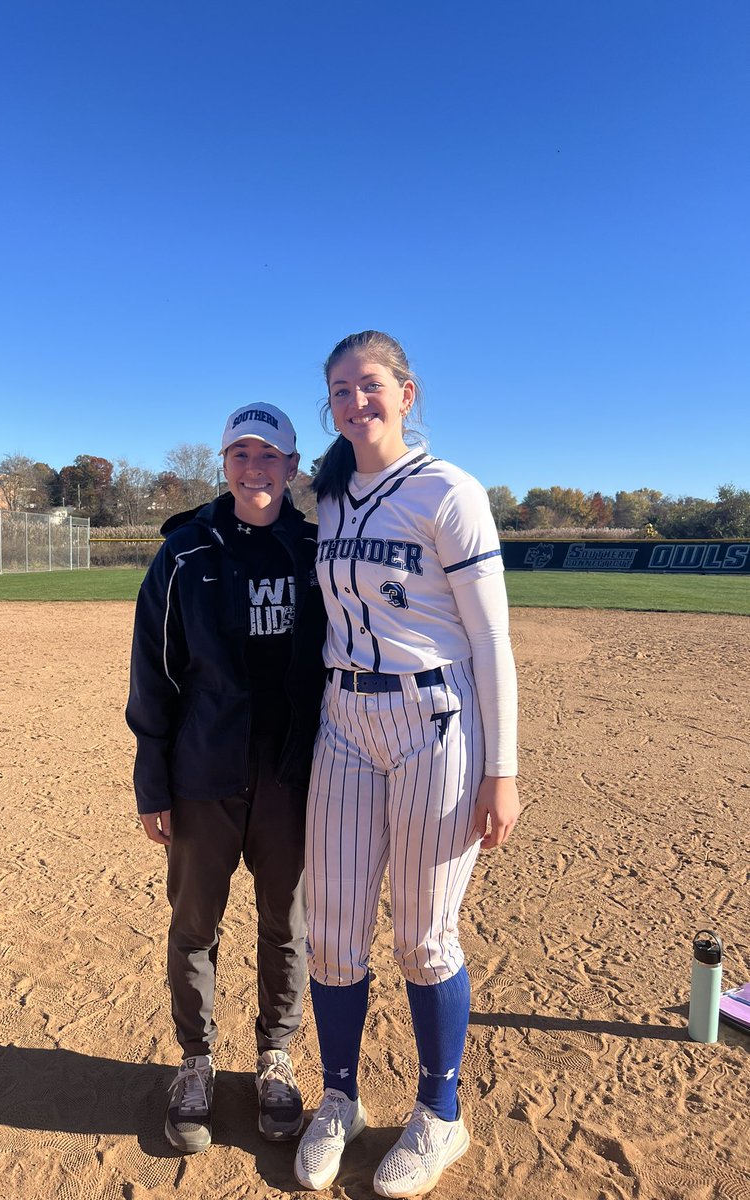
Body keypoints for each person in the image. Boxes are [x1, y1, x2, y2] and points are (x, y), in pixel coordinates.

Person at [293, 332, 520, 1198]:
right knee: (335, 932)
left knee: (423, 938)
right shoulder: (331, 496)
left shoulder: (448, 491)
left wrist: (503, 768)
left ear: (407, 393)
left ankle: (440, 1115)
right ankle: (340, 1097)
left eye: (371, 385)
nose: (357, 402)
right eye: (341, 391)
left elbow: (493, 638)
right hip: (344, 717)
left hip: (436, 716)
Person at [126, 403, 326, 1154]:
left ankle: (275, 1058)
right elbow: (155, 677)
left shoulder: (316, 551)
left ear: (292, 468)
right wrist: (153, 785)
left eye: (269, 456)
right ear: (224, 466)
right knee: (195, 928)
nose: (254, 469)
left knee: (287, 925)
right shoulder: (182, 553)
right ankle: (197, 1061)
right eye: (240, 455)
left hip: (291, 779)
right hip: (202, 778)